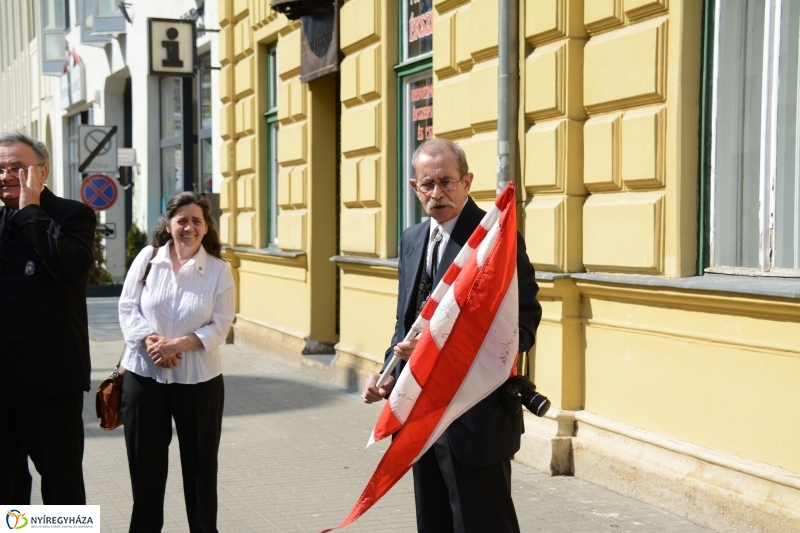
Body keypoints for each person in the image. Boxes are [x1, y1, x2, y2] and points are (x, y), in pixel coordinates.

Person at [362, 138, 542, 533]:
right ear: (414, 187)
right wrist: (388, 373)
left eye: (447, 181)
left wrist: (460, 355)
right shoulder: (411, 240)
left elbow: (525, 319)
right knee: (434, 523)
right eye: (428, 184)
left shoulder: (493, 240)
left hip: (474, 415)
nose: (437, 193)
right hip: (420, 415)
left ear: (467, 182)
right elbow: (405, 323)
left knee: (482, 524)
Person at [118, 192, 235, 533]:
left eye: (197, 220)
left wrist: (178, 344)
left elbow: (222, 323)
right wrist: (152, 341)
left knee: (199, 468)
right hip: (144, 376)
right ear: (168, 225)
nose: (189, 227)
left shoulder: (218, 270)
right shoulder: (147, 258)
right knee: (145, 465)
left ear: (206, 227)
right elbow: (128, 307)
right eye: (182, 220)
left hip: (200, 381)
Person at [0, 132, 96, 504]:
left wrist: (31, 213)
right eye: (0, 169)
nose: (6, 176)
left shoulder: (72, 215)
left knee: (62, 486)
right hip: (3, 383)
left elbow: (69, 269)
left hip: (52, 383)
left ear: (42, 172)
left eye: (16, 168)